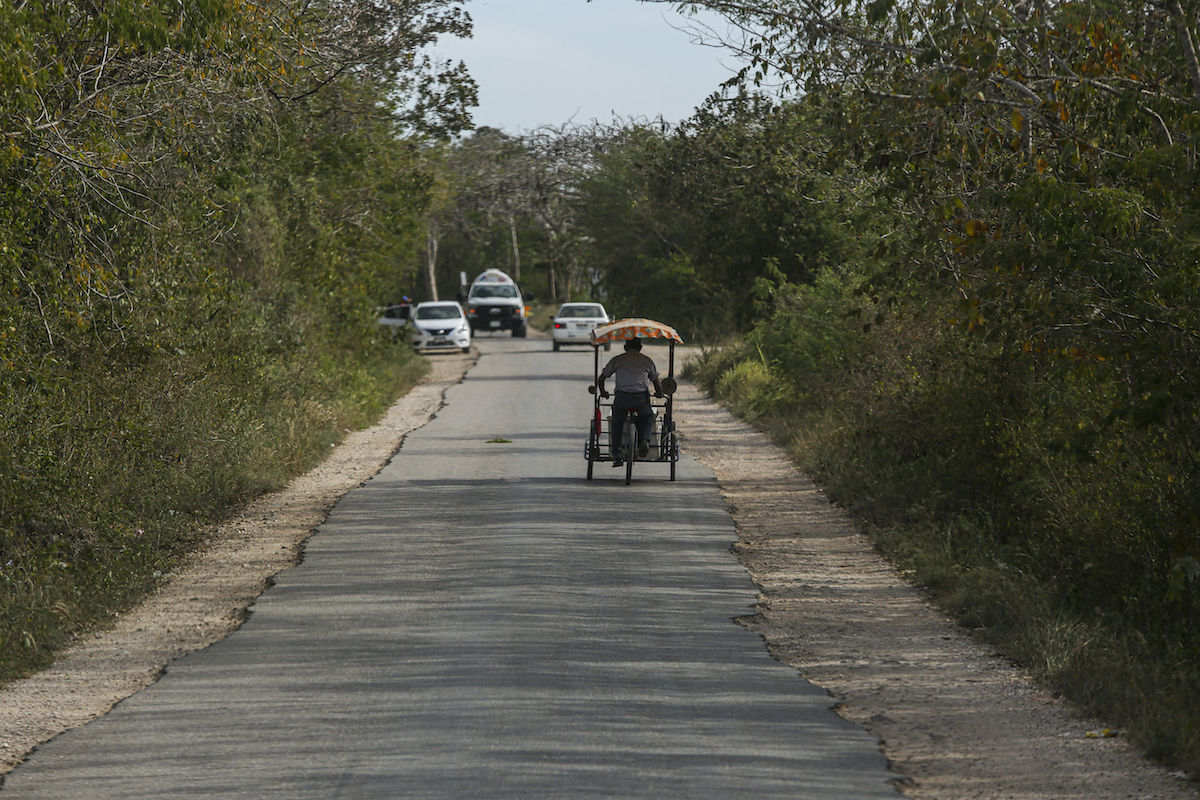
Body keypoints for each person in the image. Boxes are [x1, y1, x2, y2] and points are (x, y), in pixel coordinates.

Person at [597, 339, 664, 467]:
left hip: (622, 398)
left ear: (625, 347)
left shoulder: (618, 359)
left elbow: (601, 379)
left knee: (617, 421)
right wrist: (659, 393)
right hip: (641, 398)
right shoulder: (646, 360)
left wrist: (603, 391)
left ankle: (617, 453)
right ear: (640, 347)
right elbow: (656, 381)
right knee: (647, 416)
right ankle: (644, 440)